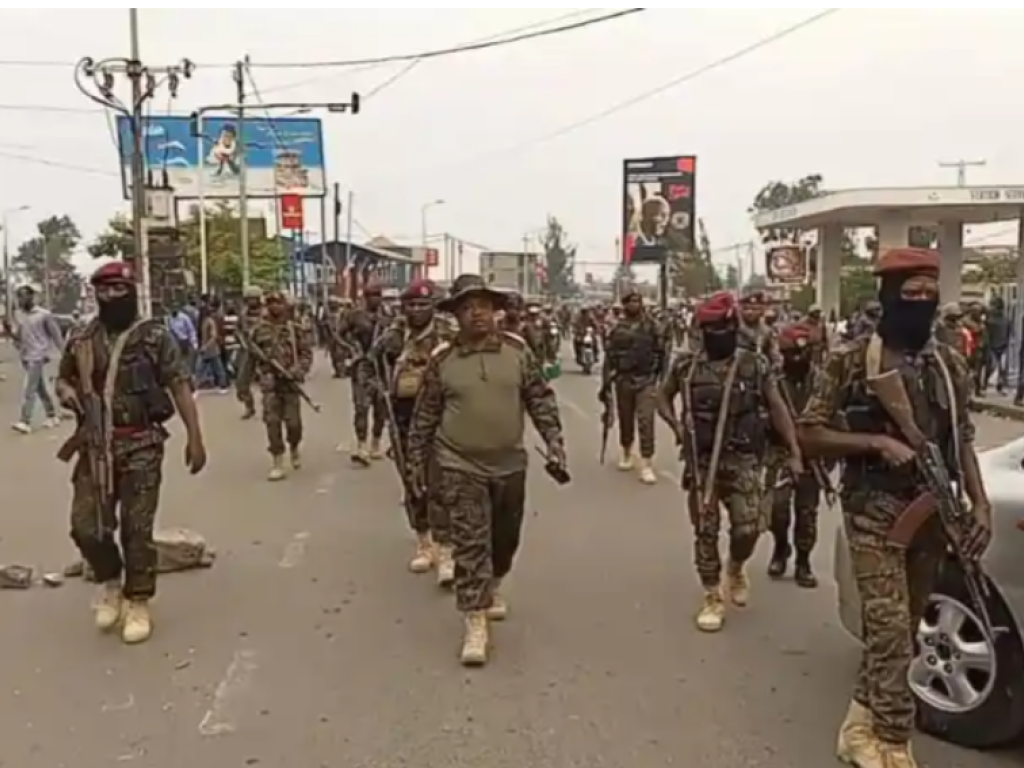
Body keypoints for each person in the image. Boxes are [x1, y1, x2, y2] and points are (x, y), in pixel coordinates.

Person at [798, 247, 990, 768]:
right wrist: (875, 445)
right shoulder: (850, 359)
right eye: (911, 295)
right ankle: (893, 741)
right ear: (887, 296)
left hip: (931, 510)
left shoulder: (948, 361)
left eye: (930, 295)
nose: (922, 304)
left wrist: (979, 503)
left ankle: (857, 727)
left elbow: (962, 440)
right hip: (874, 511)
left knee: (904, 630)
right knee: (887, 634)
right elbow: (809, 433)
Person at [406, 274, 566, 667]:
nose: (475, 313)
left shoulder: (517, 351)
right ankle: (475, 621)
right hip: (459, 463)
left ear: (495, 311)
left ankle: (492, 584)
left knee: (505, 539)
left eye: (482, 305)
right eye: (466, 307)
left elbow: (539, 398)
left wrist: (554, 441)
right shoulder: (443, 359)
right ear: (456, 315)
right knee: (471, 541)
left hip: (509, 463)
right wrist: (415, 464)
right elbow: (425, 416)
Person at [54, 261, 206, 644]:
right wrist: (67, 393)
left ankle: (138, 600)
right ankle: (110, 580)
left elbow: (179, 384)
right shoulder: (81, 338)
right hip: (95, 445)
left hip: (141, 443)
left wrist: (195, 436)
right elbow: (62, 378)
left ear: (131, 291)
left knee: (136, 529)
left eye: (117, 289)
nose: (110, 296)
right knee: (86, 526)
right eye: (103, 290)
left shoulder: (155, 337)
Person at [656, 291, 802, 633]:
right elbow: (662, 396)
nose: (717, 335)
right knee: (704, 531)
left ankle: (736, 566)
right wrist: (676, 425)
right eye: (710, 329)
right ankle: (712, 595)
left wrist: (795, 451)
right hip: (702, 462)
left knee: (748, 527)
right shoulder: (686, 366)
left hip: (744, 459)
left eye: (722, 327)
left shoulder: (753, 364)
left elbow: (777, 406)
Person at [372, 279, 455, 582]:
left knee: (441, 481)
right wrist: (379, 390)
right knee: (412, 479)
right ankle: (424, 542)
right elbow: (372, 364)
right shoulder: (393, 336)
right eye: (411, 305)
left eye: (423, 304)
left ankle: (446, 549)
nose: (417, 310)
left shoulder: (449, 333)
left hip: (441, 416)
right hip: (403, 416)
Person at [765, 321, 821, 587]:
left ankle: (803, 562)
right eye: (792, 353)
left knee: (807, 512)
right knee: (777, 510)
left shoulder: (823, 381)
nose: (798, 358)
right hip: (778, 452)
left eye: (804, 352)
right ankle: (780, 547)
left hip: (813, 454)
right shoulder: (771, 381)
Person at [602, 285, 669, 484]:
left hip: (646, 379)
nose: (634, 305)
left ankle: (647, 463)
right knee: (626, 419)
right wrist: (606, 383)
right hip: (623, 379)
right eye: (630, 302)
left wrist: (662, 381)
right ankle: (626, 451)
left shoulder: (653, 326)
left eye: (637, 301)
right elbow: (609, 356)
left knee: (646, 421)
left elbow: (662, 354)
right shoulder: (617, 328)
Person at [249, 290, 314, 481]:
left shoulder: (294, 329)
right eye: (271, 303)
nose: (274, 306)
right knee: (272, 422)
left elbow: (306, 354)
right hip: (270, 383)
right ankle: (277, 460)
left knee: (294, 423)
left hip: (290, 383)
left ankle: (294, 446)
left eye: (278, 303)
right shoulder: (259, 330)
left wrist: (298, 370)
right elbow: (251, 356)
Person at [338, 282, 391, 464]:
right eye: (371, 295)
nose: (375, 298)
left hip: (382, 367)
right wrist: (352, 349)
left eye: (378, 294)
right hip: (362, 365)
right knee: (361, 407)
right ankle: (361, 445)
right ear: (365, 297)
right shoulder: (354, 316)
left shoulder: (388, 317)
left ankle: (375, 443)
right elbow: (338, 334)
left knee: (381, 407)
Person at [6, 285, 64, 434]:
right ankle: (52, 415)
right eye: (18, 296)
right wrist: (9, 331)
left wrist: (65, 355)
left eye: (23, 296)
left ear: (31, 297)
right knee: (40, 387)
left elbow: (56, 336)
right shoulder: (19, 315)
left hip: (38, 355)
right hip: (25, 355)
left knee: (29, 388)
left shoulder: (44, 314)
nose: (20, 299)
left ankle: (25, 421)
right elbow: (18, 336)